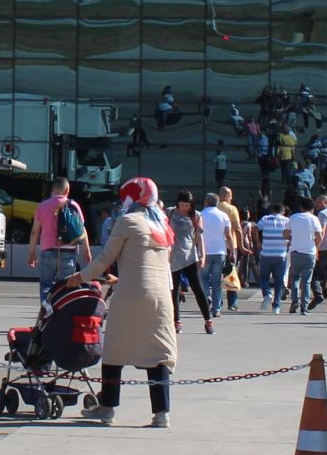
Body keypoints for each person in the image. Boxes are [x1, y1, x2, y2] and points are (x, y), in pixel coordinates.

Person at [80, 178, 177, 428]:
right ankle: (161, 414)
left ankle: (107, 408)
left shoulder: (127, 221)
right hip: (162, 298)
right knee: (158, 353)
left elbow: (104, 259)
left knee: (115, 350)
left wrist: (79, 278)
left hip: (131, 295)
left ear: (130, 199)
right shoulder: (163, 224)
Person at [31, 176, 89, 310]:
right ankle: (62, 313)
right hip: (69, 251)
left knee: (46, 285)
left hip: (47, 250)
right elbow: (82, 229)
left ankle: (47, 311)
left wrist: (32, 252)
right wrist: (87, 250)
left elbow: (34, 232)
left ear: (53, 189)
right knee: (65, 285)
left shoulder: (42, 206)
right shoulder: (74, 205)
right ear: (67, 190)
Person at [167, 193, 213, 334]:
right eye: (182, 205)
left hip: (190, 256)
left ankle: (208, 321)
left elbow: (199, 237)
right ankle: (177, 321)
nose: (184, 208)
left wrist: (202, 255)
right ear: (177, 203)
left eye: (187, 205)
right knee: (174, 290)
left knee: (198, 289)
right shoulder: (170, 212)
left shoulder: (196, 215)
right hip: (173, 257)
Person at [194, 192, 232, 322]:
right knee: (217, 282)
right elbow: (228, 235)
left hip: (204, 252)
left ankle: (206, 297)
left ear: (206, 202)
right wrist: (232, 251)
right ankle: (216, 309)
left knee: (203, 278)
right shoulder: (224, 216)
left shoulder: (200, 215)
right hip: (220, 251)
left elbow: (195, 234)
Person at [254, 197, 292, 311]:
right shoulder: (287, 221)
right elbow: (290, 235)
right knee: (279, 281)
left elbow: (255, 229)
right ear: (283, 211)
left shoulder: (265, 219)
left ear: (272, 211)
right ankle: (276, 306)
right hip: (281, 255)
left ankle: (267, 294)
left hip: (266, 253)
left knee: (263, 277)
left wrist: (258, 242)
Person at [284, 200, 319, 314]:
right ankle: (304, 307)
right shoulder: (314, 219)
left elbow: (285, 233)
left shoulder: (293, 217)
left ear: (301, 207)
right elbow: (320, 235)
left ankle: (294, 300)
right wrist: (315, 245)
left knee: (295, 278)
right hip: (309, 253)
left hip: (295, 252)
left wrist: (293, 238)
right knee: (306, 281)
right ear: (312, 208)